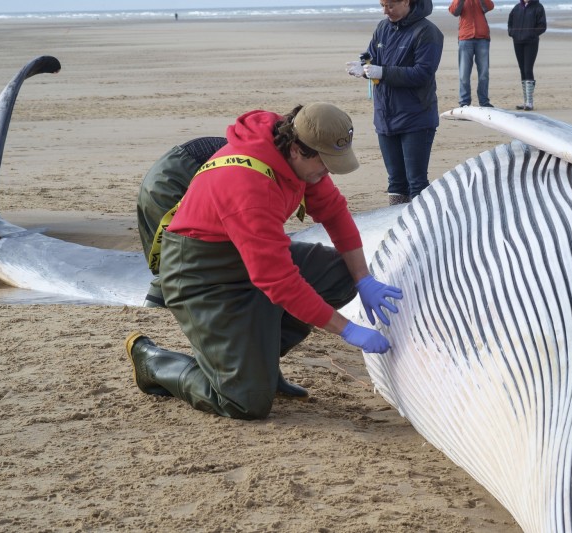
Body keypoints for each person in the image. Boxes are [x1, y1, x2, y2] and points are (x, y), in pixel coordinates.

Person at [125, 103, 403, 420]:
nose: (326, 173)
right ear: (298, 150)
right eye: (325, 165)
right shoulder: (248, 186)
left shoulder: (296, 154)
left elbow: (334, 211)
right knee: (245, 402)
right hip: (198, 270)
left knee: (339, 276)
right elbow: (278, 282)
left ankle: (261, 364)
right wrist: (347, 330)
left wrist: (363, 279)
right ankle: (154, 362)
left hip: (243, 255)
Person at [346, 0, 443, 205]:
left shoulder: (427, 32)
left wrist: (383, 72)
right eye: (382, 5)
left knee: (416, 182)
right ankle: (396, 222)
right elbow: (372, 60)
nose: (385, 11)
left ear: (406, 2)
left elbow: (423, 73)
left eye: (390, 5)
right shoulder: (383, 28)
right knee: (396, 182)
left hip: (416, 116)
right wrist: (363, 68)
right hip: (385, 116)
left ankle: (420, 227)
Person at [136, 136, 227, 308]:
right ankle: (153, 312)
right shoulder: (254, 162)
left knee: (171, 262)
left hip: (159, 180)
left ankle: (155, 310)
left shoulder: (244, 149)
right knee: (182, 262)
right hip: (172, 185)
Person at [448, 0, 495, 108]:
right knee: (464, 74)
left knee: (484, 73)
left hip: (482, 38)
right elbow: (454, 11)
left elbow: (489, 6)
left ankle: (484, 101)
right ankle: (464, 102)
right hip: (465, 38)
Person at [507, 0, 546, 111]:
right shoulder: (516, 8)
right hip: (517, 42)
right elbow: (510, 21)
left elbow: (543, 26)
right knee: (522, 70)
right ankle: (525, 101)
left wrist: (532, 34)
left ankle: (529, 102)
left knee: (528, 69)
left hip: (531, 43)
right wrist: (511, 32)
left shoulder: (538, 7)